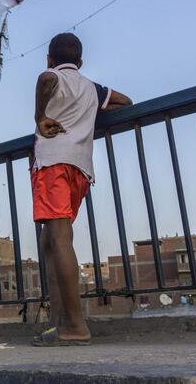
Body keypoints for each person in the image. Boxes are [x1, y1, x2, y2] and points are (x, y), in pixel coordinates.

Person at [31, 33, 131, 346]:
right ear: (81, 62)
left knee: (59, 240)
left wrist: (41, 116)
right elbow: (125, 102)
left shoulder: (51, 76)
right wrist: (92, 112)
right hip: (80, 168)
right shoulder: (91, 88)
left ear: (50, 58)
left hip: (54, 163)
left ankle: (74, 325)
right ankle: (58, 323)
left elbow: (46, 80)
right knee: (50, 241)